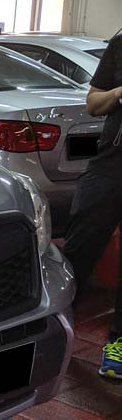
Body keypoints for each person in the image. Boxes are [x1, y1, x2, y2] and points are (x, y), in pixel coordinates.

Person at [63, 33, 122, 380]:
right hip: (110, 167)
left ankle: (118, 343)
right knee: (80, 249)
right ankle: (56, 324)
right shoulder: (120, 46)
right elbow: (93, 103)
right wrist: (118, 92)